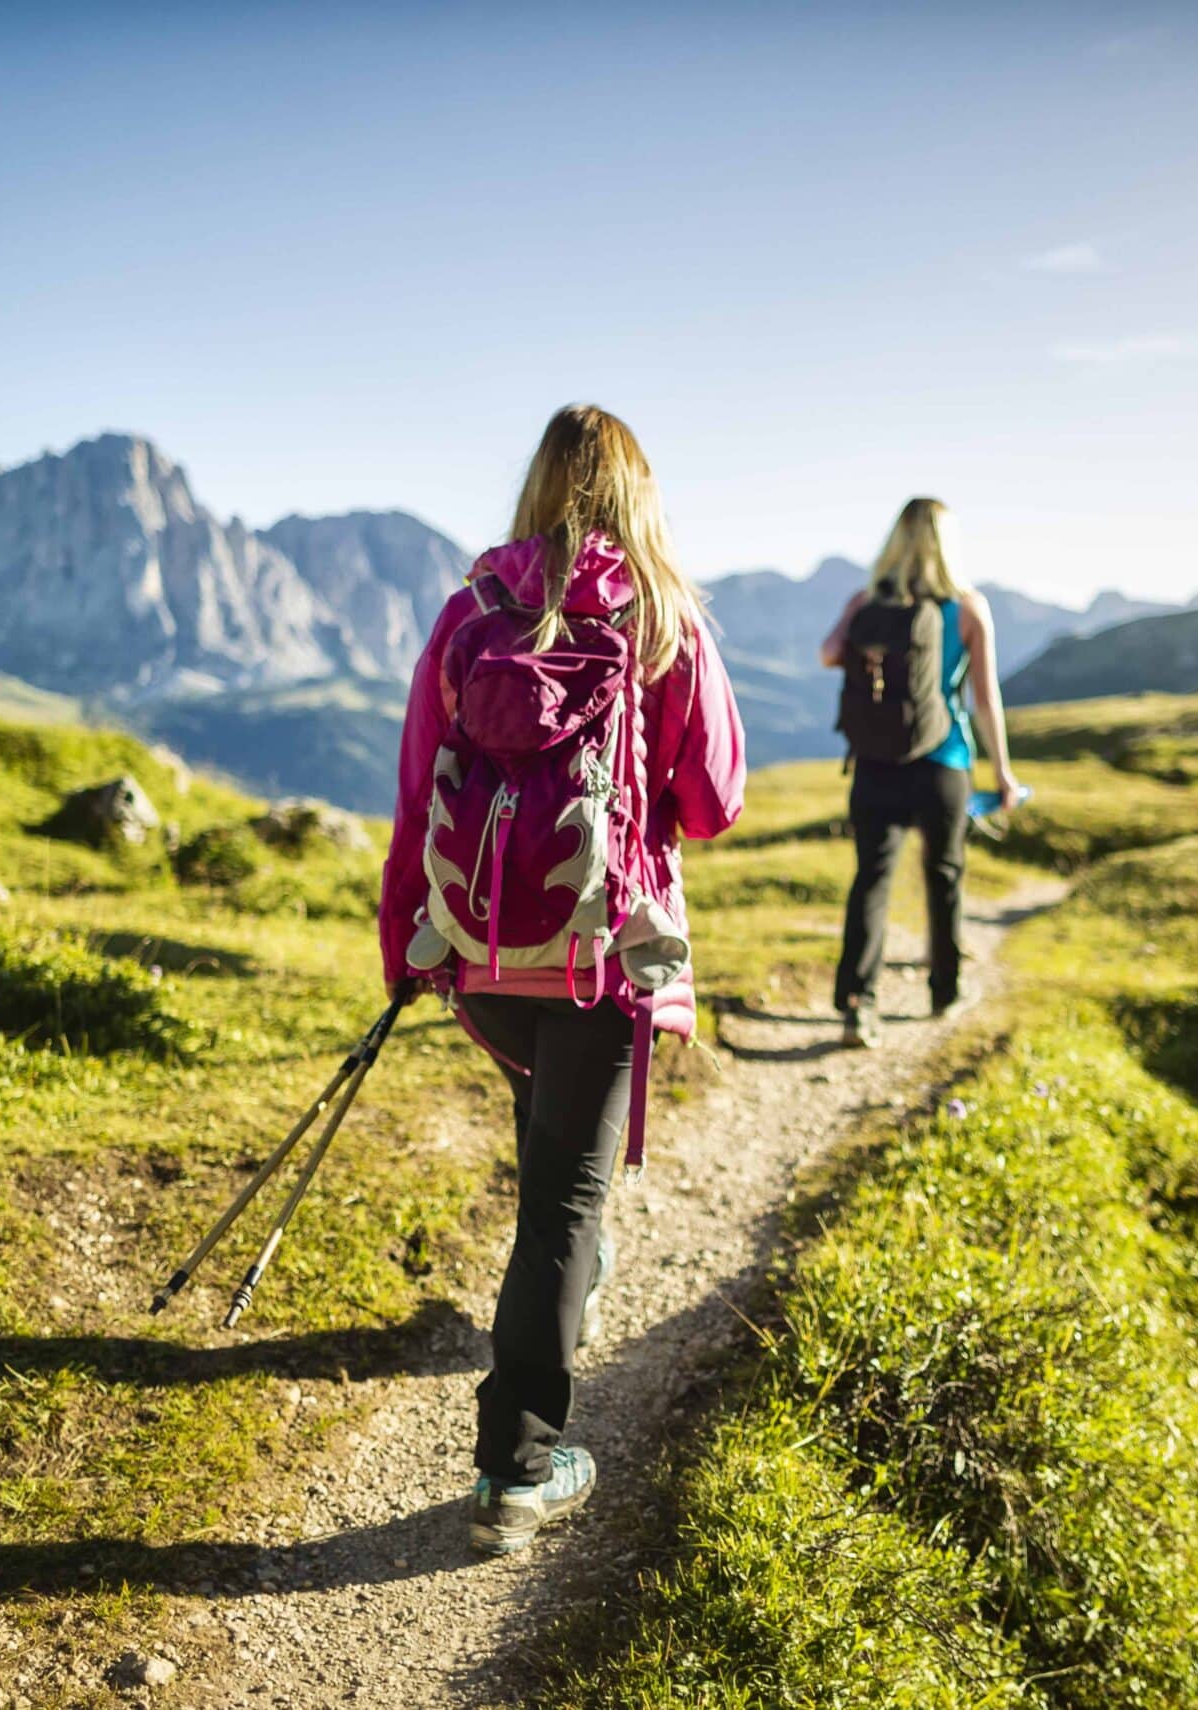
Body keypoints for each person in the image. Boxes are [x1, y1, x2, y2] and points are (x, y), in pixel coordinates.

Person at [378, 403, 745, 1555]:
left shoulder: (468, 611)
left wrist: (408, 948)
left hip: (487, 954)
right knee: (563, 1202)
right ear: (639, 495)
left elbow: (410, 791)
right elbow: (715, 801)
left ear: (537, 486)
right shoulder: (660, 615)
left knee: (552, 1175)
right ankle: (519, 1465)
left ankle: (559, 1299)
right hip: (597, 959)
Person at [820, 496, 1021, 1048]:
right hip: (945, 761)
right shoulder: (969, 606)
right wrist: (1001, 770)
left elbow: (828, 653)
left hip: (876, 763)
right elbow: (984, 699)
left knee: (872, 882)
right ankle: (944, 991)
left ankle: (858, 1005)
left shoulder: (867, 601)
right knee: (944, 876)